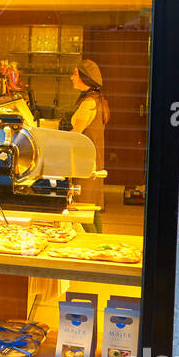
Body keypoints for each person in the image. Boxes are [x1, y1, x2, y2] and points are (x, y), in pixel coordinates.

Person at [65, 59, 110, 233]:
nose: (71, 77)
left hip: (85, 162)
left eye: (75, 74)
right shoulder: (94, 99)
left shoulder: (89, 103)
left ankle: (94, 247)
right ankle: (100, 241)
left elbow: (76, 134)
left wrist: (52, 141)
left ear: (85, 77)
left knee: (82, 209)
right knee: (91, 207)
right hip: (92, 159)